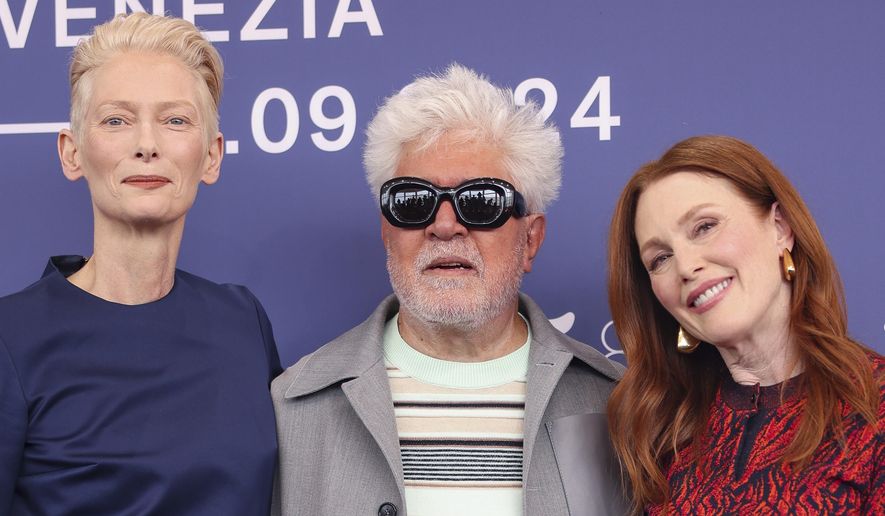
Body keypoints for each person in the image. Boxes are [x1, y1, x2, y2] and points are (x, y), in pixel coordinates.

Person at [271, 64, 627, 515]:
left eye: (480, 202)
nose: (444, 225)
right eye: (413, 201)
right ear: (387, 232)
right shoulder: (293, 406)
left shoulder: (617, 405)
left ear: (531, 239)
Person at [0, 13, 281, 515]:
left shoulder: (243, 321)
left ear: (212, 156)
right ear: (72, 153)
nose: (146, 145)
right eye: (116, 120)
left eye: (175, 121)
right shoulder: (11, 338)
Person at [606, 135, 883, 513]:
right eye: (660, 258)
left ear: (780, 227)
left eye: (705, 227)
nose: (686, 266)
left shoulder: (873, 406)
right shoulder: (665, 435)